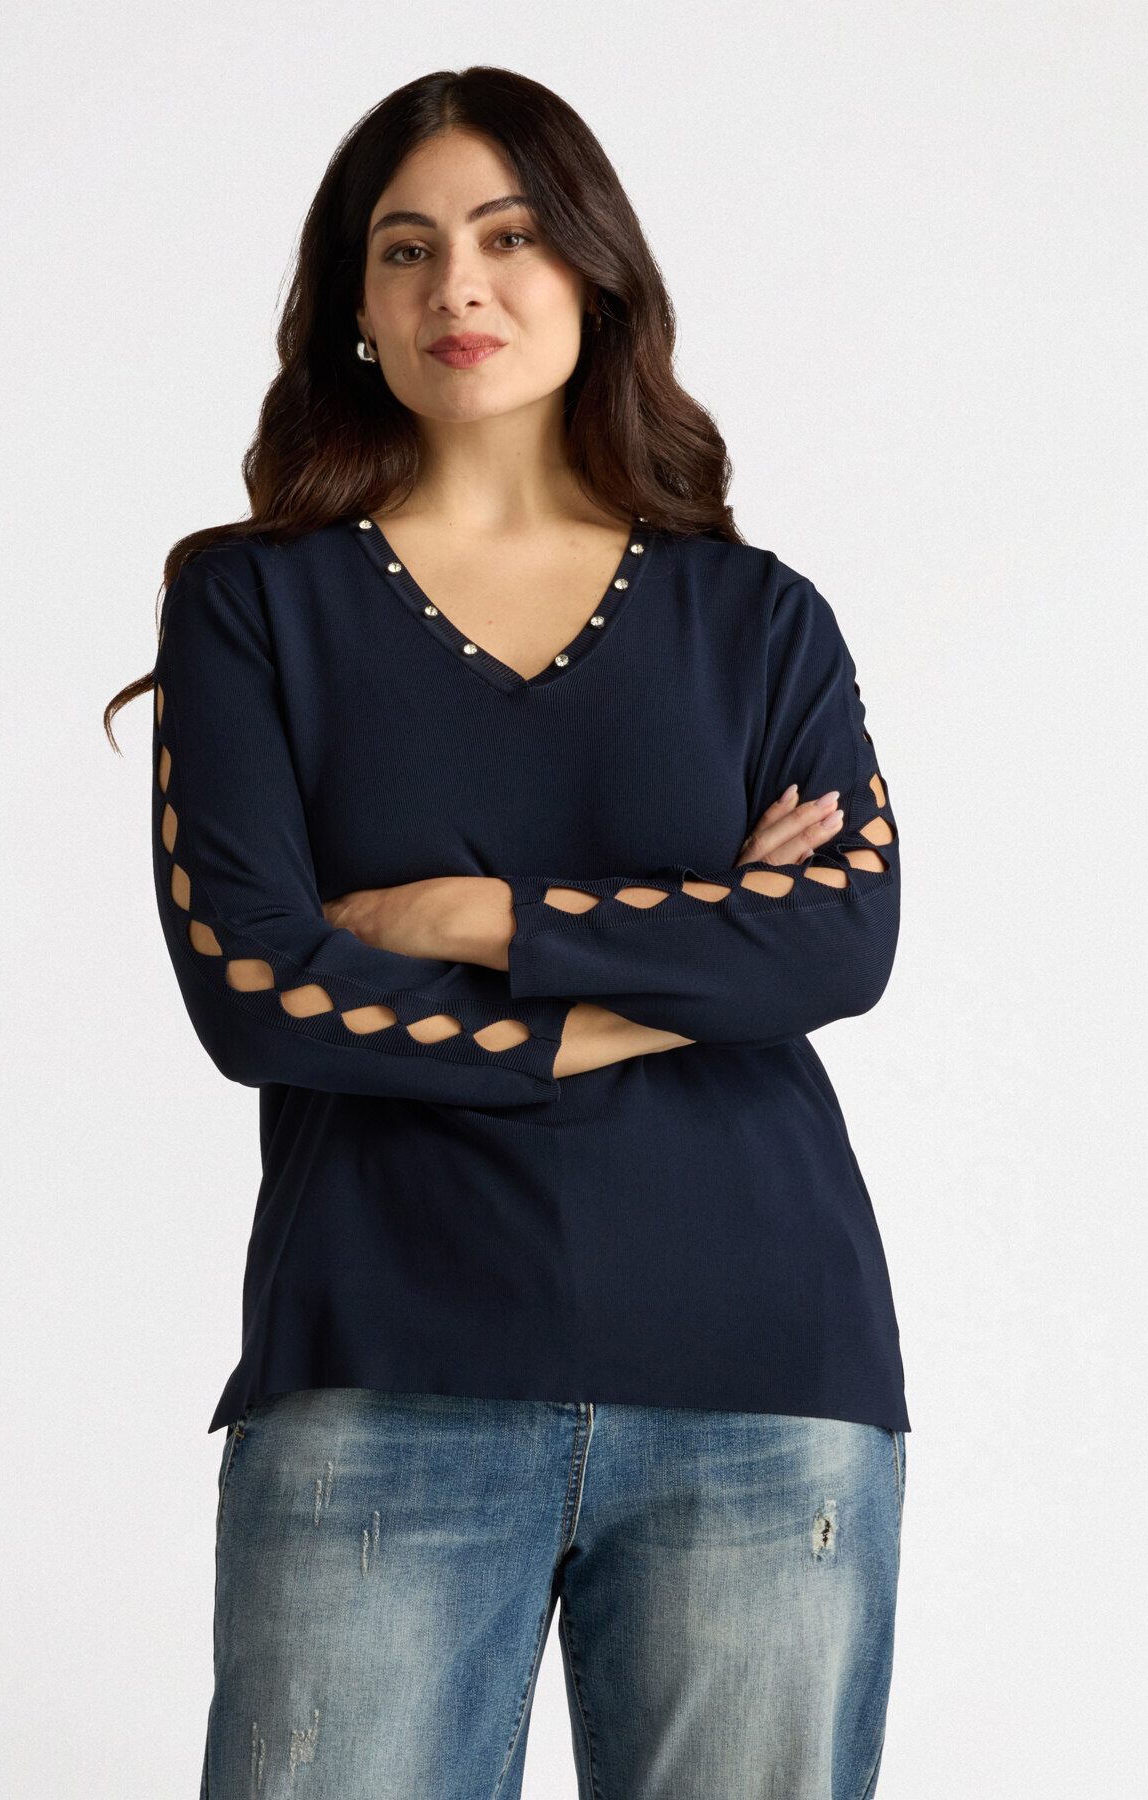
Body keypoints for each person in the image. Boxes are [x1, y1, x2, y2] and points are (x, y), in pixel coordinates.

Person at [104, 64, 908, 1800]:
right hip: (384, 1369)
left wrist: (477, 916)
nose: (455, 285)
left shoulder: (757, 618)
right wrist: (671, 978)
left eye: (509, 236)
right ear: (353, 305)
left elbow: (837, 942)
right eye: (405, 249)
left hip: (764, 1368)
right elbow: (257, 990)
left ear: (594, 274)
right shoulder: (252, 605)